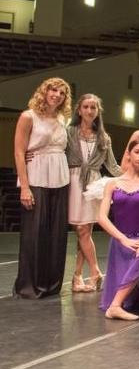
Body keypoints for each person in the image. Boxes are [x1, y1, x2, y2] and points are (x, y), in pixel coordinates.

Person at [14, 77, 72, 299]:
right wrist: (25, 187)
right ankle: (29, 286)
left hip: (60, 177)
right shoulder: (28, 116)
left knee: (56, 235)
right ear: (44, 92)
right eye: (53, 90)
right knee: (34, 234)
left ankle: (51, 285)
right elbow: (20, 152)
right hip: (36, 176)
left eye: (62, 92)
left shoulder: (61, 118)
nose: (57, 95)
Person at [98, 139, 139, 320]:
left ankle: (115, 306)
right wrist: (122, 239)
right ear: (129, 154)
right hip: (120, 241)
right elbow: (101, 217)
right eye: (138, 152)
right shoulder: (113, 183)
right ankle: (116, 306)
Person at [67, 93, 122, 292]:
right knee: (82, 231)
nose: (90, 111)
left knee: (84, 231)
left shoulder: (103, 137)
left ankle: (81, 274)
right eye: (86, 107)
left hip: (93, 185)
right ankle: (90, 272)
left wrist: (136, 177)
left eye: (93, 108)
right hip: (73, 182)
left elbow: (113, 166)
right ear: (79, 110)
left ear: (98, 112)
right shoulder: (69, 132)